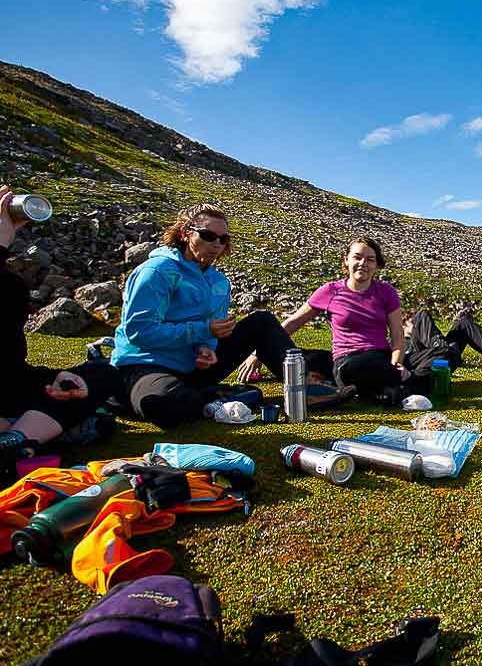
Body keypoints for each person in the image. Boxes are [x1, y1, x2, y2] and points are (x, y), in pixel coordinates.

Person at [112, 203, 298, 428]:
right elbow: (139, 331)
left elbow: (212, 330)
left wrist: (206, 348)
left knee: (262, 321)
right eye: (209, 236)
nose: (217, 244)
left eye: (223, 239)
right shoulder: (158, 272)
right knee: (166, 404)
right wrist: (203, 331)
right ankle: (205, 397)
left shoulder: (218, 281)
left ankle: (302, 388)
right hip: (147, 365)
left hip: (193, 367)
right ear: (185, 233)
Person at [0, 185, 123, 471]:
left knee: (102, 373)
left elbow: (8, 367)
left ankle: (15, 439)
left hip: (7, 390)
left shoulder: (11, 286)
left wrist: (57, 377)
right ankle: (29, 434)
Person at [238, 238, 408, 404]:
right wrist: (257, 353)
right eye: (357, 257)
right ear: (346, 260)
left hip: (378, 356)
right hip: (346, 361)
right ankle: (387, 387)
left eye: (370, 259)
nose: (363, 263)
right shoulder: (330, 291)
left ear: (376, 265)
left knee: (387, 365)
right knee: (294, 358)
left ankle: (372, 388)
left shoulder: (386, 292)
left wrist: (396, 364)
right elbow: (294, 322)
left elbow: (398, 337)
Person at [400, 308, 482, 393]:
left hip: (440, 360)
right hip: (426, 371)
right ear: (402, 325)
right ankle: (442, 348)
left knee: (462, 324)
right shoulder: (396, 344)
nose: (415, 325)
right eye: (411, 322)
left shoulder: (420, 337)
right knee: (422, 315)